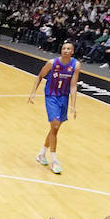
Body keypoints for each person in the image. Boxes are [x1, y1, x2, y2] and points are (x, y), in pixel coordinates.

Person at [27, 42, 79, 174]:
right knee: (55, 125)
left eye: (68, 49)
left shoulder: (75, 65)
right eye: (63, 48)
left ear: (72, 51)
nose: (65, 50)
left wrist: (73, 105)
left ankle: (41, 154)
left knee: (54, 129)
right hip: (51, 96)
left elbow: (73, 86)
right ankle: (54, 160)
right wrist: (33, 93)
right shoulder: (52, 63)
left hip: (64, 98)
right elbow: (39, 76)